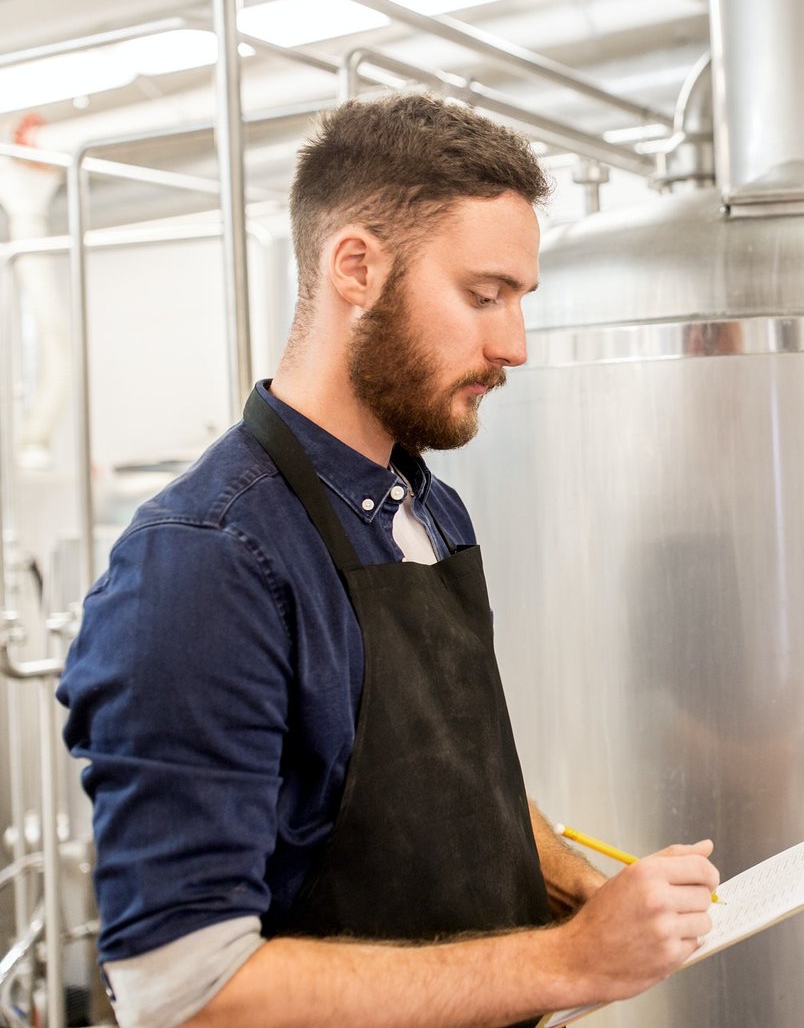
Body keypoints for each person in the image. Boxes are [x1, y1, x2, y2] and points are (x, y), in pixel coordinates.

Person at [56, 93, 719, 1028]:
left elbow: (450, 777)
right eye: (483, 296)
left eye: (520, 302)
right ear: (356, 268)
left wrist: (582, 889)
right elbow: (186, 993)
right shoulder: (205, 565)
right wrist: (569, 962)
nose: (513, 346)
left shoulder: (429, 507)